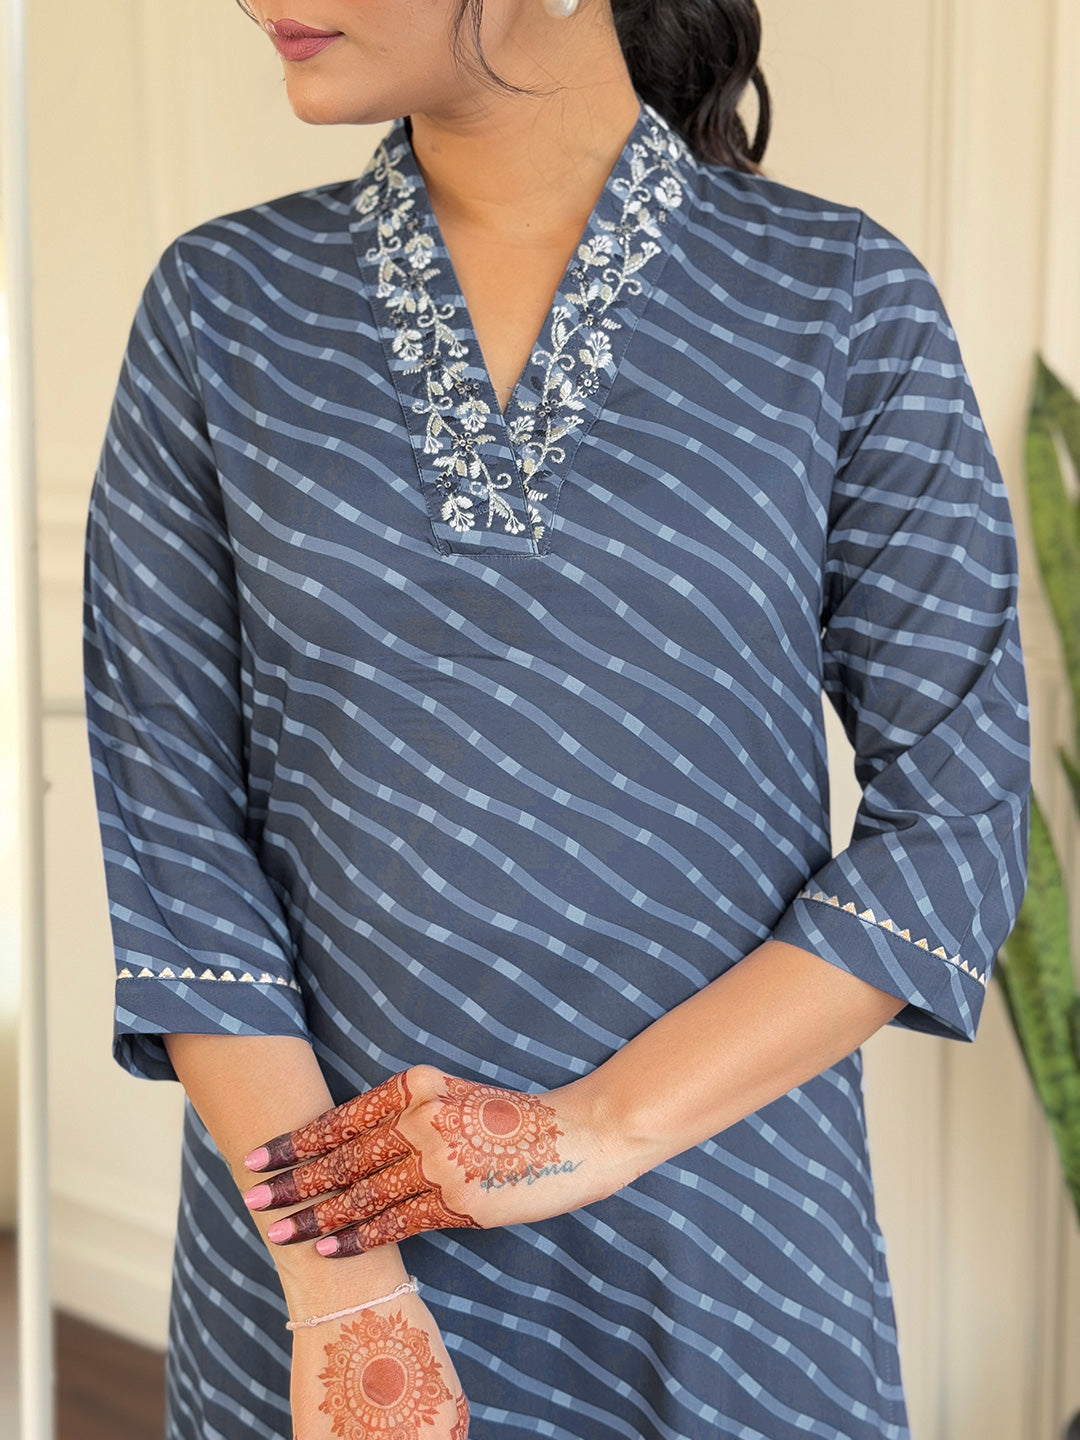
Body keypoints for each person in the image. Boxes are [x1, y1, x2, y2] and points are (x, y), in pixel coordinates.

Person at [80, 1, 1032, 1437]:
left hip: (724, 1241)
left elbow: (958, 819)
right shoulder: (223, 306)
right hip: (322, 1249)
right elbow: (172, 825)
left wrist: (589, 1129)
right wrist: (344, 1292)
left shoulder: (836, 297)